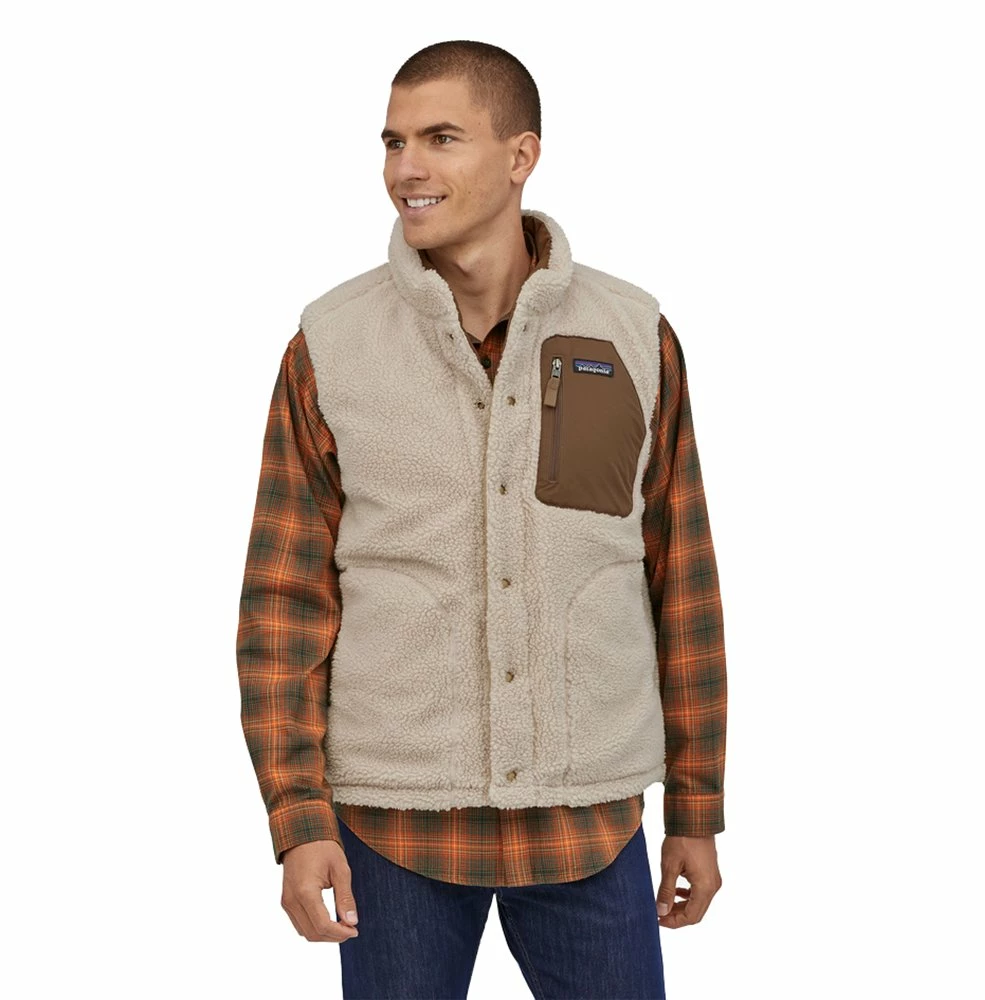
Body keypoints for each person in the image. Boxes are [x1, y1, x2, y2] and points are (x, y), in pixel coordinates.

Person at [236, 39, 728, 1000]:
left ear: (520, 155)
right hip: (392, 829)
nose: (405, 168)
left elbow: (682, 580)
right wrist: (297, 820)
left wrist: (696, 808)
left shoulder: (632, 334)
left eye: (441, 138)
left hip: (589, 820)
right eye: (393, 142)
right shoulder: (331, 345)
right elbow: (283, 603)